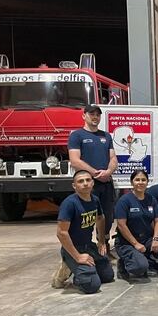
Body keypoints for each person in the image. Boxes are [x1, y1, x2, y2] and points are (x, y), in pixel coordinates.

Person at [52, 170, 114, 293]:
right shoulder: (69, 204)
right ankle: (66, 267)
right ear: (74, 186)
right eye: (81, 181)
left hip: (88, 246)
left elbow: (101, 218)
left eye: (88, 180)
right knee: (91, 285)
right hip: (72, 249)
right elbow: (61, 233)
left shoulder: (94, 200)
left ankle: (83, 270)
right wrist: (78, 257)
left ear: (92, 183)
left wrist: (101, 241)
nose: (85, 183)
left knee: (107, 275)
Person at [68, 104, 118, 252]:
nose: (95, 117)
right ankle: (83, 249)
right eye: (92, 114)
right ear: (84, 116)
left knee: (107, 217)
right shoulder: (77, 136)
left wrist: (108, 172)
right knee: (87, 217)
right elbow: (75, 160)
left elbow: (113, 157)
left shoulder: (106, 136)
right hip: (88, 185)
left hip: (106, 183)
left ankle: (104, 246)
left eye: (97, 114)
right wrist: (96, 174)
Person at [115, 170, 158, 279]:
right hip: (127, 242)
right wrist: (135, 244)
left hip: (146, 239)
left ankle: (146, 261)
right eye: (137, 180)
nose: (140, 182)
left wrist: (156, 238)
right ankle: (124, 264)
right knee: (139, 267)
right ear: (131, 182)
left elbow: (157, 220)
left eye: (143, 180)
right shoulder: (124, 201)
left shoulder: (150, 199)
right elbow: (121, 225)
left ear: (147, 182)